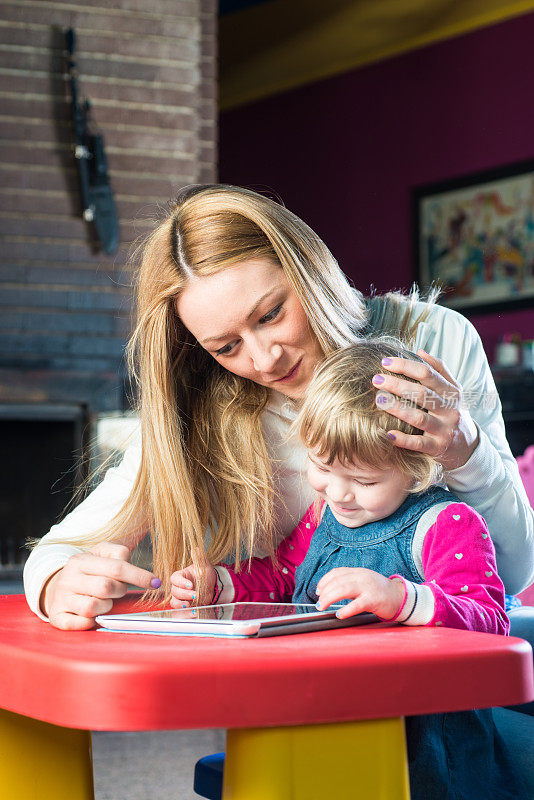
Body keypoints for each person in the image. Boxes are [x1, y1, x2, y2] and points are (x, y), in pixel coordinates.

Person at [23, 184, 534, 639]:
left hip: (441, 657)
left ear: (309, 268)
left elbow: (513, 573)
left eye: (271, 314)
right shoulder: (207, 406)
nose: (266, 359)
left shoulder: (432, 341)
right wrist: (55, 584)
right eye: (226, 347)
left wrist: (467, 454)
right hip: (297, 674)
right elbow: (59, 551)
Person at [171, 340, 528, 800]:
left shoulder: (447, 524)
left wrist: (402, 600)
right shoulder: (324, 514)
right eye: (321, 467)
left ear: (418, 468)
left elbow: (489, 620)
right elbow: (282, 577)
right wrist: (219, 584)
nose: (339, 494)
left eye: (363, 481)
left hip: (425, 739)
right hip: (322, 709)